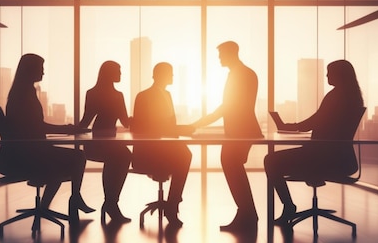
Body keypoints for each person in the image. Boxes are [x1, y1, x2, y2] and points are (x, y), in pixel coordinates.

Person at [0, 53, 95, 222]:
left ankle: (47, 206)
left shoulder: (21, 92)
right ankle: (73, 198)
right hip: (27, 156)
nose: (43, 72)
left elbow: (34, 126)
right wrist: (67, 129)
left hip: (26, 153)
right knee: (78, 157)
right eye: (41, 68)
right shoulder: (23, 95)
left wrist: (67, 130)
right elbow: (37, 126)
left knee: (67, 160)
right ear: (30, 70)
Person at [265, 59, 365, 225]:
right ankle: (293, 201)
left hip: (322, 158)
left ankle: (289, 206)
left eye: (329, 72)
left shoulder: (336, 96)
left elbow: (314, 122)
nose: (326, 75)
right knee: (276, 160)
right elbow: (325, 126)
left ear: (339, 75)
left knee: (270, 161)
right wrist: (295, 128)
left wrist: (289, 126)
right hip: (340, 159)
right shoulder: (353, 97)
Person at [190, 41, 263, 232]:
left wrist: (199, 123)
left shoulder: (241, 74)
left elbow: (227, 106)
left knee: (232, 165)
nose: (219, 58)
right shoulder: (241, 73)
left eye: (221, 54)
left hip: (242, 131)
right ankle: (247, 214)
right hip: (238, 130)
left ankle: (247, 215)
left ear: (231, 53)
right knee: (233, 167)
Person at [131, 62, 193, 227]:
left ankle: (172, 203)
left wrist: (181, 130)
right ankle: (172, 205)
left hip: (165, 147)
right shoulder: (144, 96)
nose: (172, 77)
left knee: (185, 154)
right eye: (170, 73)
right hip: (150, 151)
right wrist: (180, 130)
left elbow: (169, 124)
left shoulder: (167, 94)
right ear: (161, 75)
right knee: (185, 155)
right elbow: (146, 126)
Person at [79, 61, 132, 224]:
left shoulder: (109, 94)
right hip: (98, 144)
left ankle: (110, 203)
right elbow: (86, 121)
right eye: (118, 70)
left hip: (109, 142)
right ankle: (111, 203)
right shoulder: (98, 94)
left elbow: (124, 121)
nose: (121, 74)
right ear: (109, 73)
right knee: (122, 155)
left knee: (121, 155)